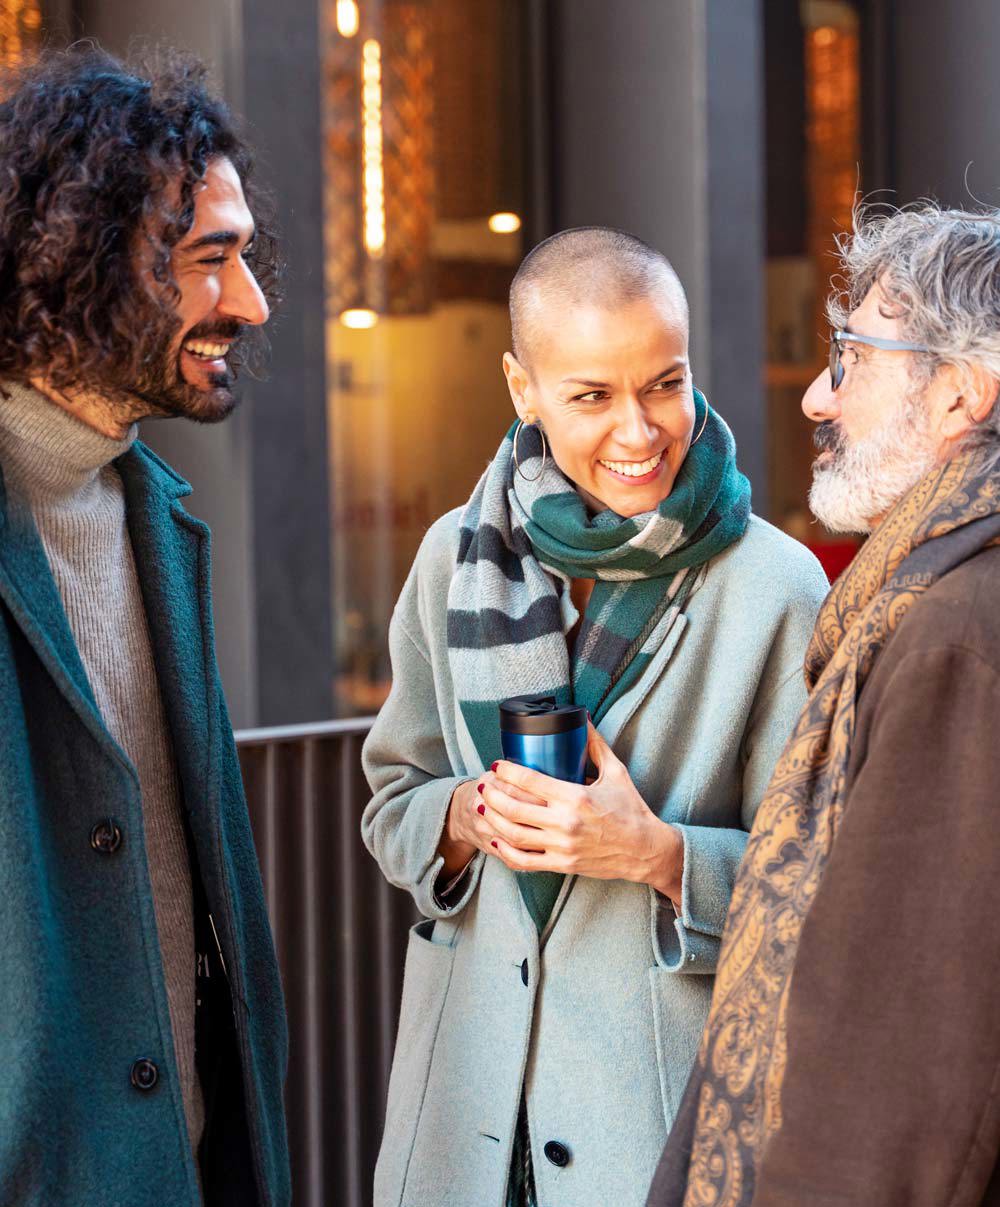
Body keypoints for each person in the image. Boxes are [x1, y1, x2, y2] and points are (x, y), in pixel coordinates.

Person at [362, 227, 828, 1207]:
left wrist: (654, 852)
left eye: (664, 381)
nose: (639, 428)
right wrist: (461, 816)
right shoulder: (453, 556)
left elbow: (819, 887)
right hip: (462, 1123)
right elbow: (390, 801)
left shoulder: (776, 587)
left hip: (655, 1129)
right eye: (591, 395)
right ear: (521, 389)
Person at [648, 203, 1000, 1207]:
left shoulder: (955, 634)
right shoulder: (933, 605)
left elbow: (906, 1059)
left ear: (958, 399)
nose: (815, 397)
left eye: (851, 360)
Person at [0, 48, 290, 1205]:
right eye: (209, 259)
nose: (252, 302)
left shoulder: (158, 518)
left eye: (246, 256)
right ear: (76, 258)